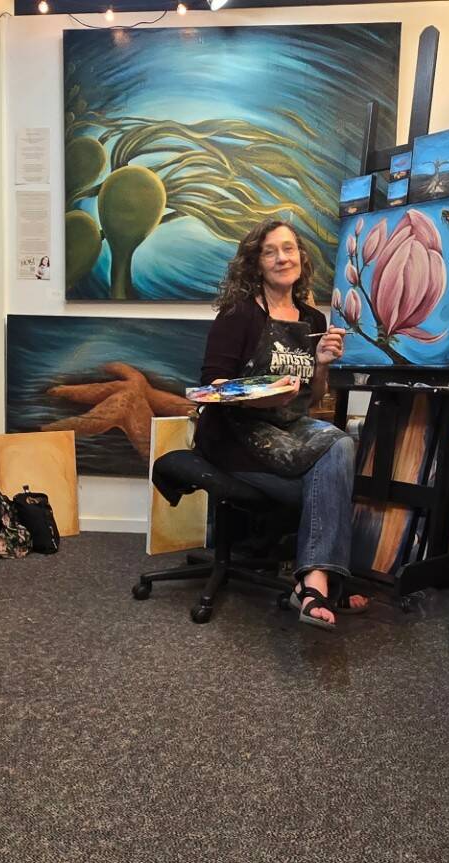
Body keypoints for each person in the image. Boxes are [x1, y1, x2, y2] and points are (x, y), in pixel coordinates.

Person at [195, 219, 363, 630]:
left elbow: (314, 398)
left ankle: (312, 579)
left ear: (301, 258)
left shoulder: (313, 319)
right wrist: (263, 395)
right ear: (256, 262)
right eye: (269, 251)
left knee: (341, 443)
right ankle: (322, 583)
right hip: (234, 431)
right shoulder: (239, 315)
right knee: (325, 473)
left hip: (287, 426)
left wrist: (322, 364)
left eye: (288, 249)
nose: (281, 258)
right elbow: (211, 386)